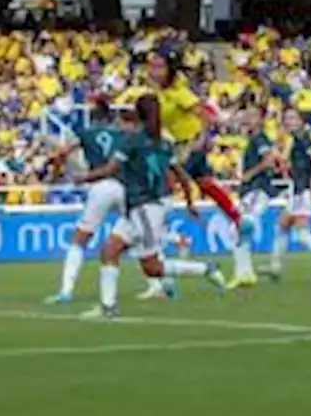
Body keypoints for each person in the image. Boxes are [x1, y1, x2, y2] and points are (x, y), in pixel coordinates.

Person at [80, 94, 226, 319]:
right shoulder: (163, 142)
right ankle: (107, 307)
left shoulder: (133, 141)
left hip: (145, 207)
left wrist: (84, 177)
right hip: (140, 207)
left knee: (152, 267)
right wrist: (189, 202)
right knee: (109, 251)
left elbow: (110, 169)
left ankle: (206, 269)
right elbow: (182, 176)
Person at [147, 49, 250, 237]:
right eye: (151, 66)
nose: (152, 71)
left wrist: (203, 139)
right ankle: (237, 217)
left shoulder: (179, 93)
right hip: (178, 144)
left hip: (189, 144)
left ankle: (159, 229)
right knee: (204, 183)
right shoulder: (161, 92)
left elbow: (206, 115)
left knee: (166, 181)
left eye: (158, 67)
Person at [45, 97, 127, 304]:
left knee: (80, 239)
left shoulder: (85, 133)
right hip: (124, 186)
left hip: (100, 186)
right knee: (139, 234)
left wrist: (56, 170)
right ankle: (160, 282)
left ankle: (66, 290)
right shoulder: (122, 134)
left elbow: (62, 153)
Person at [265, 106, 311, 280]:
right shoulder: (298, 138)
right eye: (287, 118)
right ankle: (275, 266)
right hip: (297, 188)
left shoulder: (303, 137)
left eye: (292, 118)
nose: (289, 122)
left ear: (300, 120)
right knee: (282, 224)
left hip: (302, 189)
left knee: (302, 233)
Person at [229, 103, 278, 289]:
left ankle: (244, 273)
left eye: (253, 115)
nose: (248, 118)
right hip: (250, 190)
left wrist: (251, 173)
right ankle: (245, 273)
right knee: (239, 230)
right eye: (247, 115)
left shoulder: (260, 138)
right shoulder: (253, 139)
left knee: (238, 228)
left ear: (261, 120)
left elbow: (269, 160)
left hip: (257, 189)